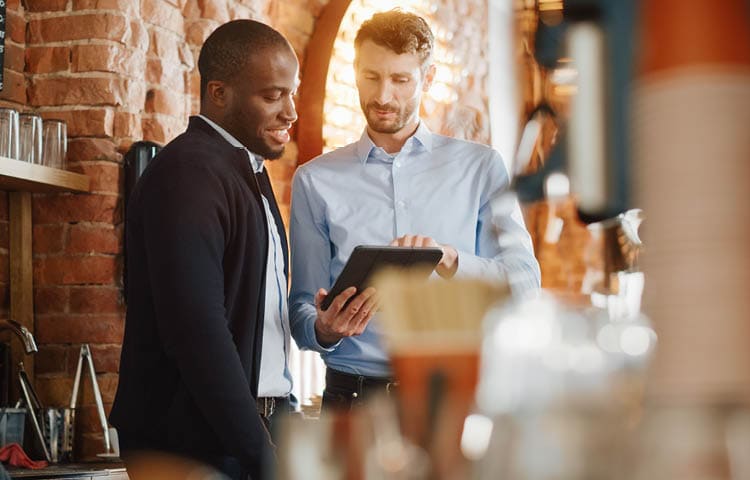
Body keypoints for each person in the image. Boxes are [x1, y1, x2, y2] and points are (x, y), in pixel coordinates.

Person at [288, 10, 540, 412]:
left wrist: (453, 259)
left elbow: (525, 281)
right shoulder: (314, 180)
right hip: (352, 402)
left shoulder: (481, 167)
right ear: (355, 71)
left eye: (401, 80)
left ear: (430, 77)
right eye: (371, 76)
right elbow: (302, 306)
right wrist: (324, 328)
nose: (383, 96)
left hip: (455, 399)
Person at [110, 19, 299, 480]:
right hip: (193, 447)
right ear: (219, 93)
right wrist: (261, 454)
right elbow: (197, 333)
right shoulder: (190, 173)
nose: (291, 111)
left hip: (243, 432)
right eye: (272, 96)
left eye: (292, 93)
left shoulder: (242, 170)